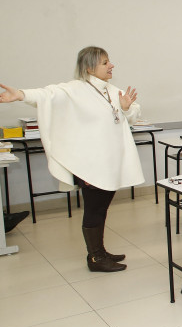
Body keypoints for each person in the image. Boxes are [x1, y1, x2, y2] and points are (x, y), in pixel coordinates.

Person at [0, 46, 143, 272]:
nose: (111, 65)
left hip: (109, 162)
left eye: (109, 61)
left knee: (102, 207)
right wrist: (20, 94)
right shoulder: (74, 89)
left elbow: (133, 111)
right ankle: (95, 258)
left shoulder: (109, 89)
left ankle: (101, 251)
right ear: (89, 67)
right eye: (105, 62)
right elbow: (47, 94)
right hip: (89, 164)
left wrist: (126, 109)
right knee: (94, 209)